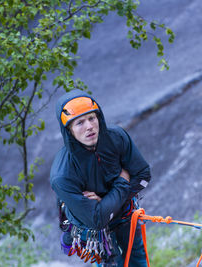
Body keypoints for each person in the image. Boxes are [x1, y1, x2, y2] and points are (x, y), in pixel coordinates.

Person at [50, 89, 151, 266]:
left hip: (125, 215)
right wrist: (123, 181)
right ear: (69, 131)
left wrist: (104, 202)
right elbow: (96, 220)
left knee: (137, 258)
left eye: (91, 118)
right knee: (111, 263)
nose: (89, 126)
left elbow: (143, 175)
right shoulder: (63, 174)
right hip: (94, 229)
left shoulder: (116, 138)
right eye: (79, 122)